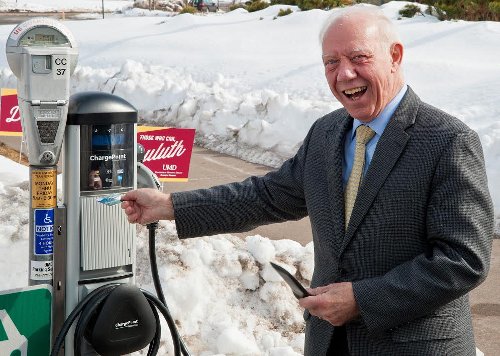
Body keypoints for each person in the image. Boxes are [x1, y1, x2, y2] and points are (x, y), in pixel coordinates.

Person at [121, 6, 493, 356]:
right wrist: (170, 207)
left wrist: (362, 299)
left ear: (395, 56)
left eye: (359, 58)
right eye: (331, 62)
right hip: (328, 343)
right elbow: (265, 197)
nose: (344, 74)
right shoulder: (327, 133)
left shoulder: (447, 141)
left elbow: (463, 260)